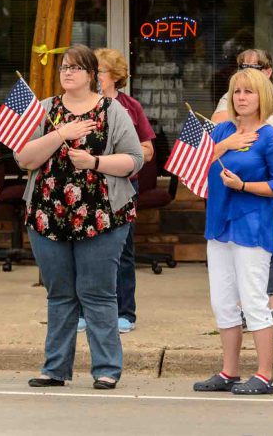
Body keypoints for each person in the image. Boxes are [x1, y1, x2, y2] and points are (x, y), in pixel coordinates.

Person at [16, 44, 143, 390]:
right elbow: (23, 158)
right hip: (48, 214)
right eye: (63, 68)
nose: (67, 73)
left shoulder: (112, 111)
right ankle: (55, 368)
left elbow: (135, 160)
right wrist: (60, 135)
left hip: (101, 215)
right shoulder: (44, 110)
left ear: (91, 75)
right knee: (59, 293)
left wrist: (95, 163)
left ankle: (106, 368)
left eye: (75, 68)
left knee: (98, 292)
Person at [193, 68, 273, 395]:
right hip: (219, 224)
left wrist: (244, 185)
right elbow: (194, 165)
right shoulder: (221, 132)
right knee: (222, 301)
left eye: (248, 92)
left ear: (261, 96)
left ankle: (264, 375)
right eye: (236, 92)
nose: (242, 98)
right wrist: (226, 145)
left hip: (252, 225)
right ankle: (229, 372)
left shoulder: (270, 137)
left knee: (253, 300)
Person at [211, 49, 273, 336]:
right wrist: (235, 140)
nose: (242, 95)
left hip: (261, 185)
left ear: (268, 71)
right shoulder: (231, 99)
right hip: (228, 189)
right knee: (230, 256)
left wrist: (261, 146)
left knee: (271, 248)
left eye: (256, 66)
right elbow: (216, 130)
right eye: (243, 66)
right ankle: (241, 310)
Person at [76, 48, 154, 335]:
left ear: (116, 77)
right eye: (91, 70)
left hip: (120, 185)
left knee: (122, 250)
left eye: (101, 71)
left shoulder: (130, 106)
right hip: (83, 186)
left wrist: (121, 155)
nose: (95, 76)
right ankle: (83, 313)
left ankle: (125, 313)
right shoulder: (78, 104)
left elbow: (147, 150)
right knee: (82, 249)